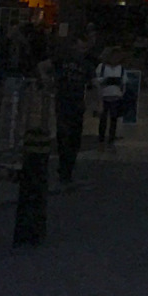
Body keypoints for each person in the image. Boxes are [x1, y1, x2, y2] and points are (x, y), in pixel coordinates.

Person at [51, 37, 92, 185]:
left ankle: (67, 168)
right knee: (64, 136)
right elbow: (45, 66)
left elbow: (93, 83)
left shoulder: (86, 65)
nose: (82, 51)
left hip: (76, 103)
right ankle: (65, 169)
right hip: (64, 102)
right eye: (80, 48)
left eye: (84, 49)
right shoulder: (63, 60)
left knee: (73, 137)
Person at [94, 47, 128, 145]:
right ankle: (101, 138)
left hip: (116, 97)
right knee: (103, 120)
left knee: (114, 119)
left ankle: (111, 139)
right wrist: (105, 81)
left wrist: (121, 94)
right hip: (104, 96)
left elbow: (124, 83)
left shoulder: (121, 69)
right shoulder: (102, 67)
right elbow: (96, 80)